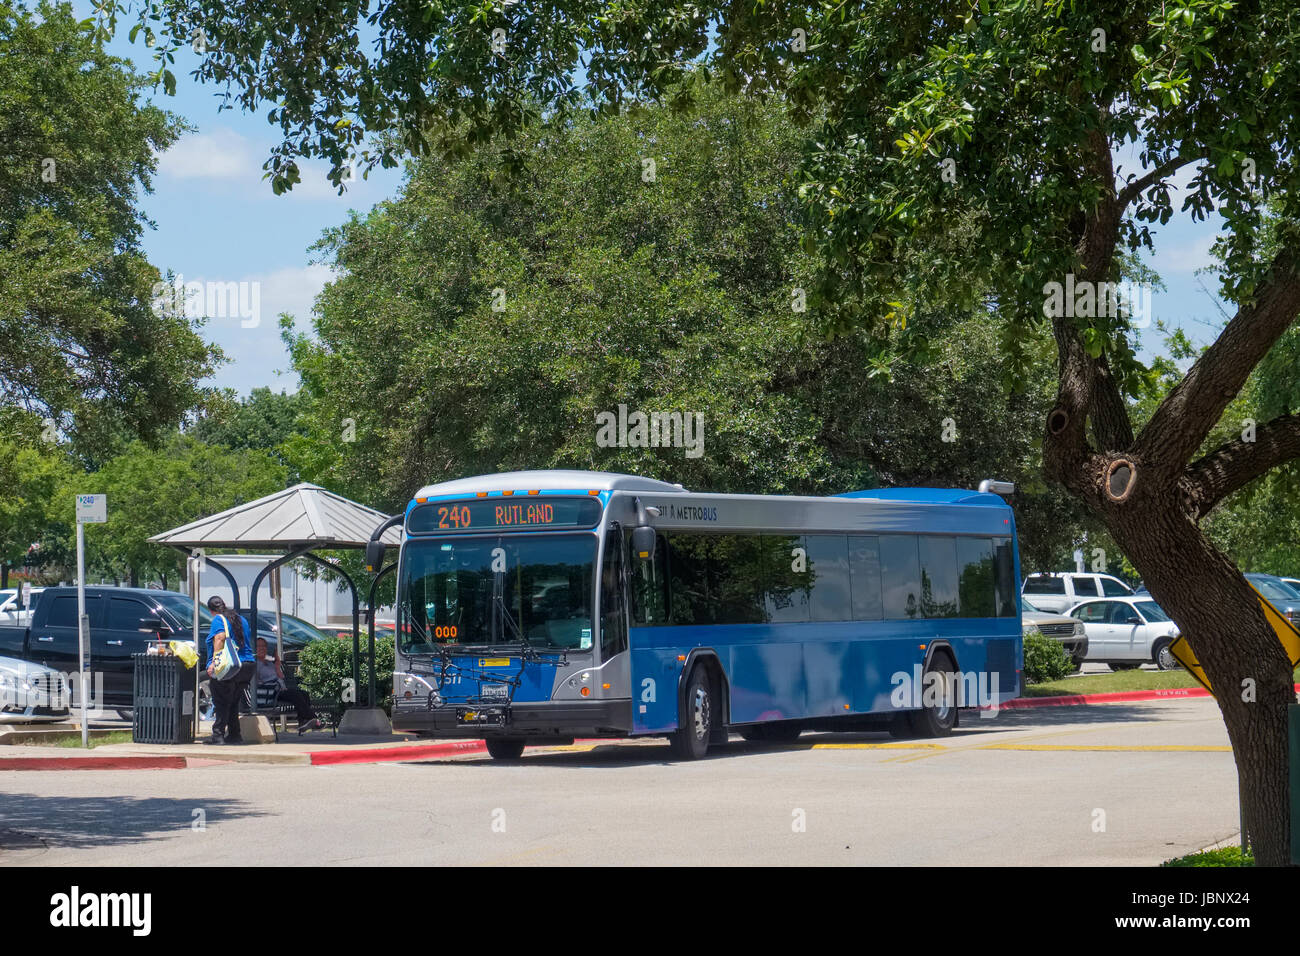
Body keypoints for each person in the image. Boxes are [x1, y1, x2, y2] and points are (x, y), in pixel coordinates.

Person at [203, 596, 255, 745]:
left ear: (211, 610)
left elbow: (219, 638)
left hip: (230, 666)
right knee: (232, 702)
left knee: (221, 701)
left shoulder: (219, 619)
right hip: (247, 665)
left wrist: (214, 662)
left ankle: (218, 735)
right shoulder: (240, 619)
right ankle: (234, 734)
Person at [255, 637, 321, 733]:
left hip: (279, 689)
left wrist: (277, 665)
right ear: (254, 648)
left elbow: (281, 677)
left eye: (264, 646)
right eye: (259, 646)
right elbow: (256, 681)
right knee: (295, 694)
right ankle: (313, 719)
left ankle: (304, 721)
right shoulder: (255, 663)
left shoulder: (269, 663)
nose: (262, 648)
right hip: (269, 692)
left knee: (304, 693)